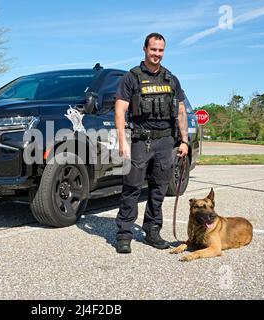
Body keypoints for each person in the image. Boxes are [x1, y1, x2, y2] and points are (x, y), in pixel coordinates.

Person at [114, 32, 188, 254]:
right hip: (140, 141)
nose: (157, 54)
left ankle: (152, 231)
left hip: (165, 142)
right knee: (132, 188)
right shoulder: (132, 77)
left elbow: (181, 111)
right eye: (153, 49)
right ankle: (124, 234)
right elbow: (120, 110)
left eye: (161, 50)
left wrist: (184, 141)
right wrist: (122, 141)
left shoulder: (171, 79)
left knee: (159, 189)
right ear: (145, 49)